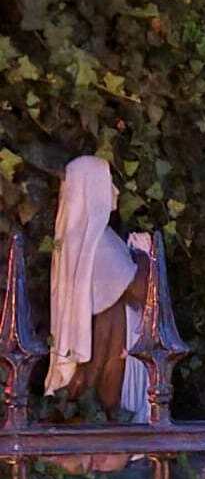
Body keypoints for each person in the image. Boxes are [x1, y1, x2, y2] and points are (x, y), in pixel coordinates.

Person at [45, 155, 150, 421]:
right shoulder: (98, 241)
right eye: (108, 182)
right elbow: (141, 291)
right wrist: (144, 256)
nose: (115, 191)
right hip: (107, 361)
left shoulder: (71, 238)